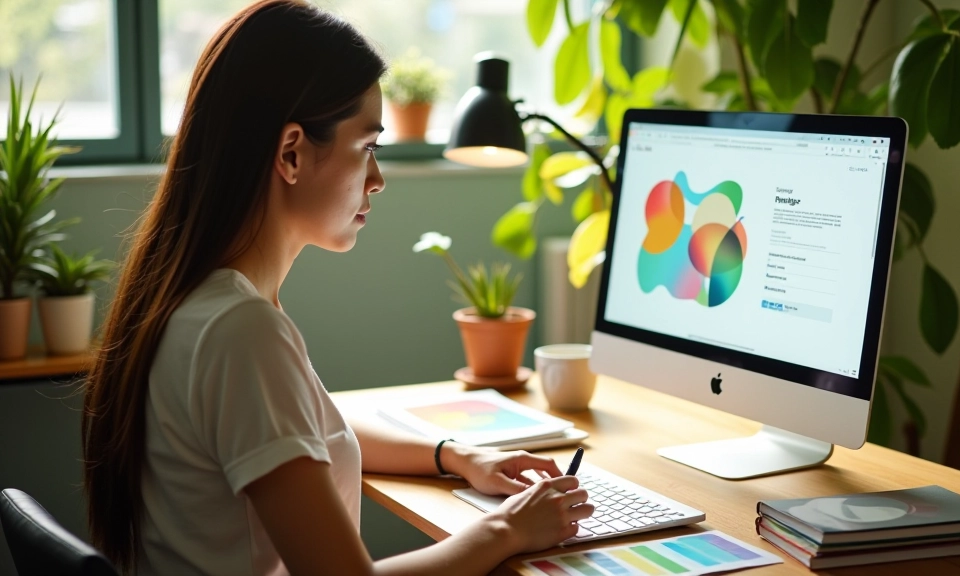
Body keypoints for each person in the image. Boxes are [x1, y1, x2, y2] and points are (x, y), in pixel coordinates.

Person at [80, 1, 593, 574]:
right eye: (368, 147)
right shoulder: (241, 332)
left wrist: (457, 456)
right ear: (291, 152)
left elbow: (303, 435)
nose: (377, 180)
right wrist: (507, 528)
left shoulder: (198, 301)